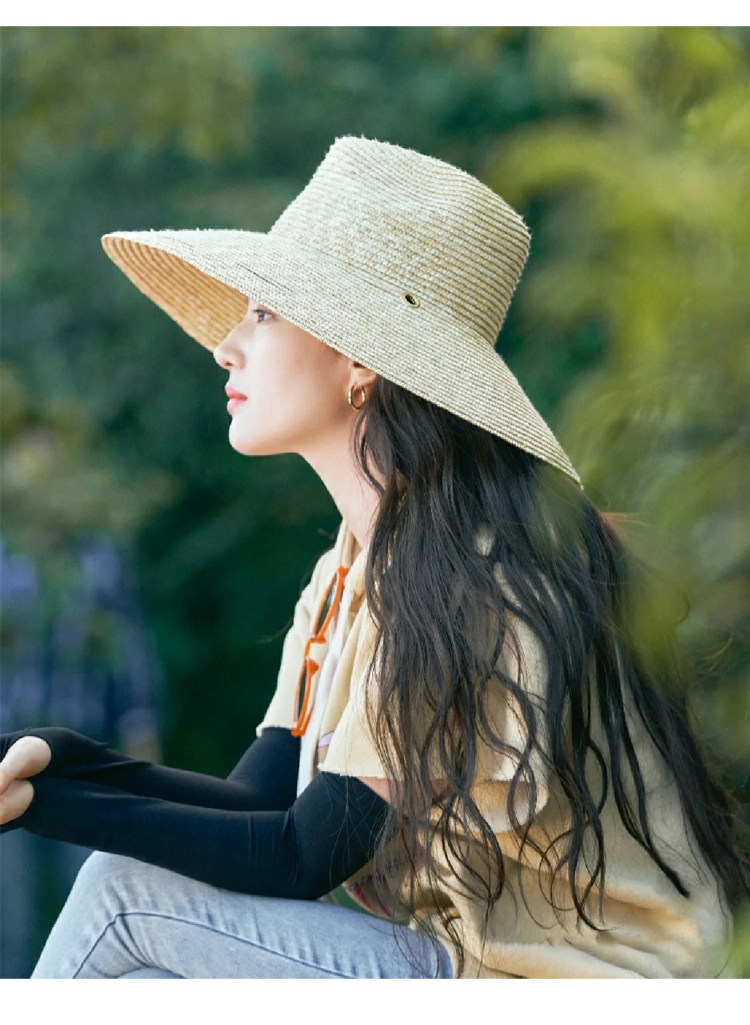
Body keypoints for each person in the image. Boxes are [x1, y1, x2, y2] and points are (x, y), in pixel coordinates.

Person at [0, 135, 747, 980]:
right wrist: (63, 756)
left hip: (587, 988)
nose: (226, 345)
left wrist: (44, 805)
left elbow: (299, 855)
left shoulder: (474, 581)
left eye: (265, 313)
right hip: (469, 966)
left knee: (123, 894)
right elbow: (261, 803)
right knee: (136, 948)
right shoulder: (349, 574)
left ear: (359, 360)